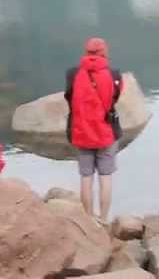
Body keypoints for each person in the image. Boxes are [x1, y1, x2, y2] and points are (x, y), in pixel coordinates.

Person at [64, 37, 123, 223]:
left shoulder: (72, 74)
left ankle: (88, 219)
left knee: (86, 176)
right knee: (105, 176)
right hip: (106, 132)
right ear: (104, 51)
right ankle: (104, 219)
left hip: (81, 132)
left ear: (86, 51)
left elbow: (69, 97)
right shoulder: (114, 75)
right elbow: (115, 99)